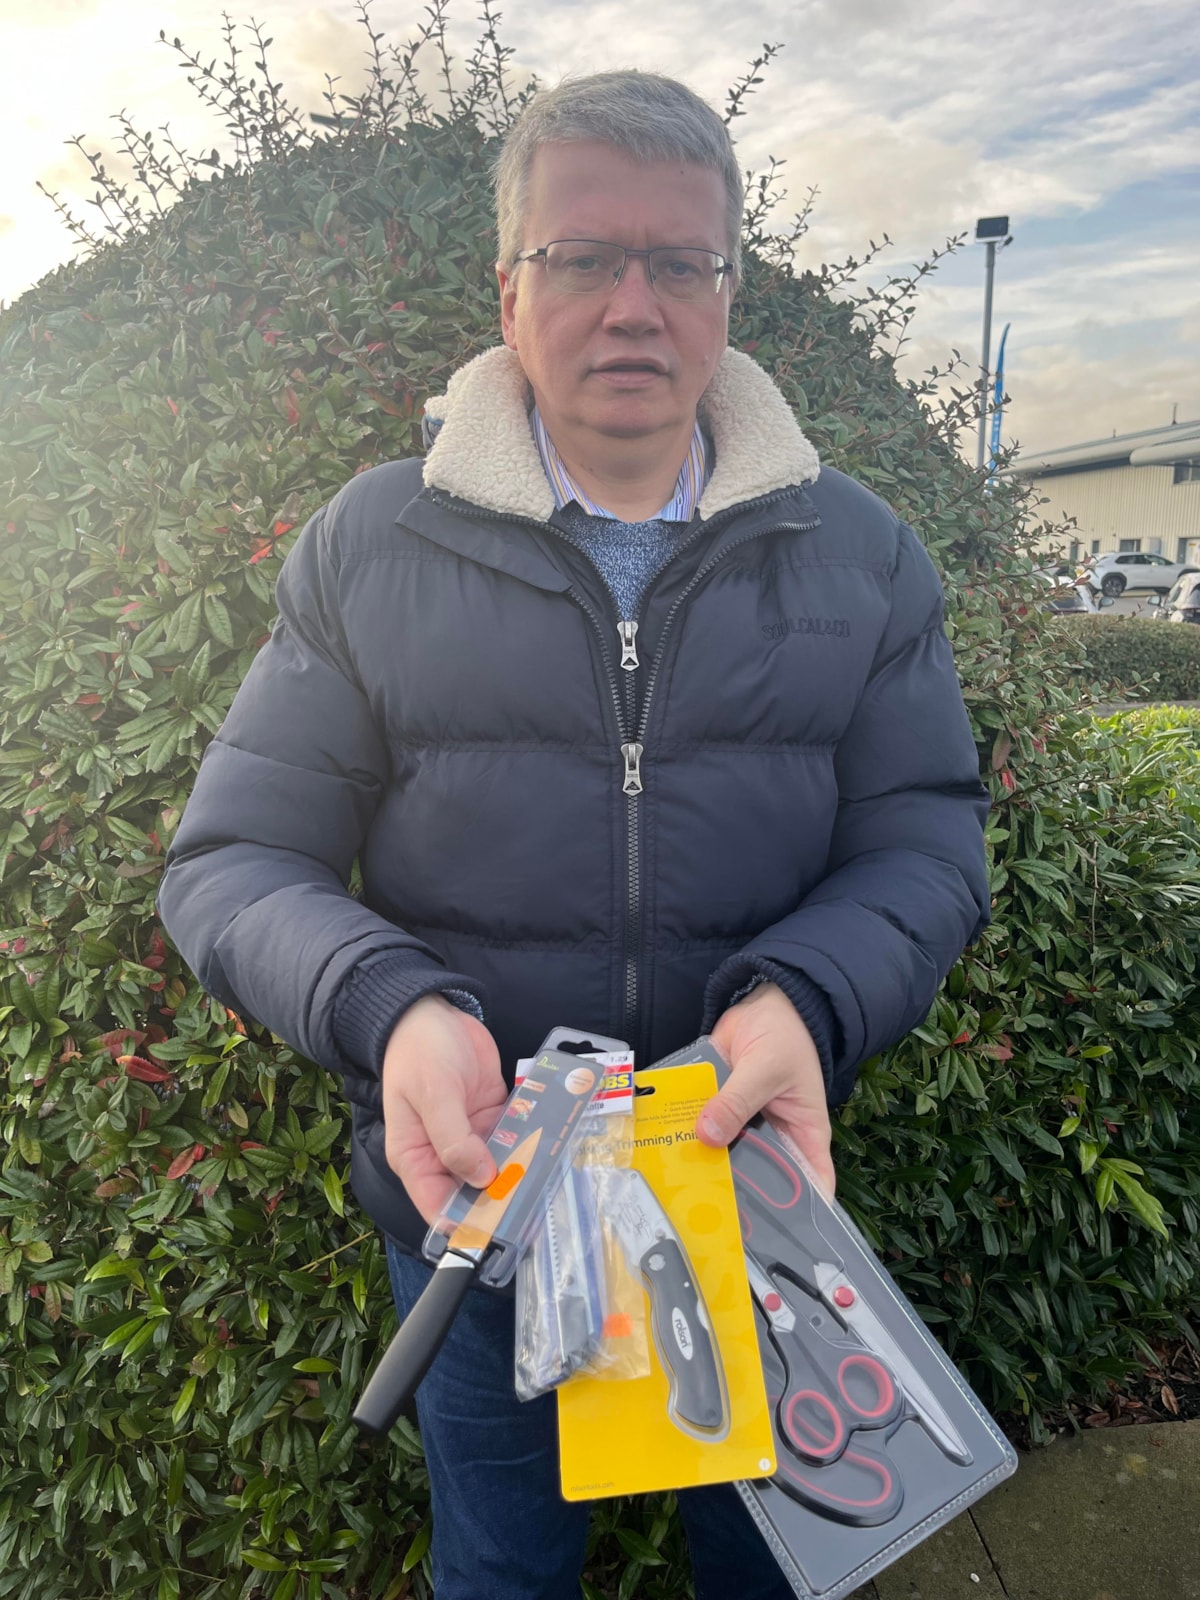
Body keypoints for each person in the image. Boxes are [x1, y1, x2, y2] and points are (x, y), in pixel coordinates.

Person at [158, 69, 990, 1600]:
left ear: (728, 291)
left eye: (679, 263)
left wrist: (799, 999)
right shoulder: (371, 545)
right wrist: (391, 1009)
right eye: (584, 258)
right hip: (477, 1209)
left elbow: (926, 840)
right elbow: (232, 861)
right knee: (500, 1569)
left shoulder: (863, 554)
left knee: (770, 1572)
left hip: (744, 1200)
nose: (633, 305)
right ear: (509, 285)